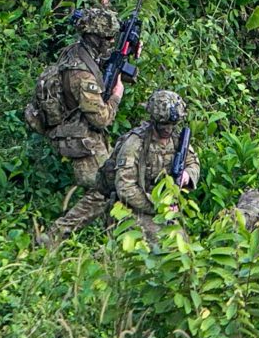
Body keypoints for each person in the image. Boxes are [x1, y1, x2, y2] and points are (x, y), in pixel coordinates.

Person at [39, 89, 198, 247]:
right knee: (158, 245)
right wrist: (158, 205)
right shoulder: (135, 144)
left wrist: (187, 175)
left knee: (182, 246)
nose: (168, 129)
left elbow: (193, 163)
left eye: (172, 124)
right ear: (154, 119)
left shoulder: (177, 140)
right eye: (164, 124)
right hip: (130, 208)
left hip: (161, 209)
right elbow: (125, 189)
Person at [25, 8, 125, 189]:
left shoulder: (75, 51)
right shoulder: (82, 75)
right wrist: (116, 96)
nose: (111, 42)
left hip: (74, 133)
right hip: (80, 141)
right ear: (94, 37)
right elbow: (101, 119)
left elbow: (99, 63)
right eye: (107, 38)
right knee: (105, 191)